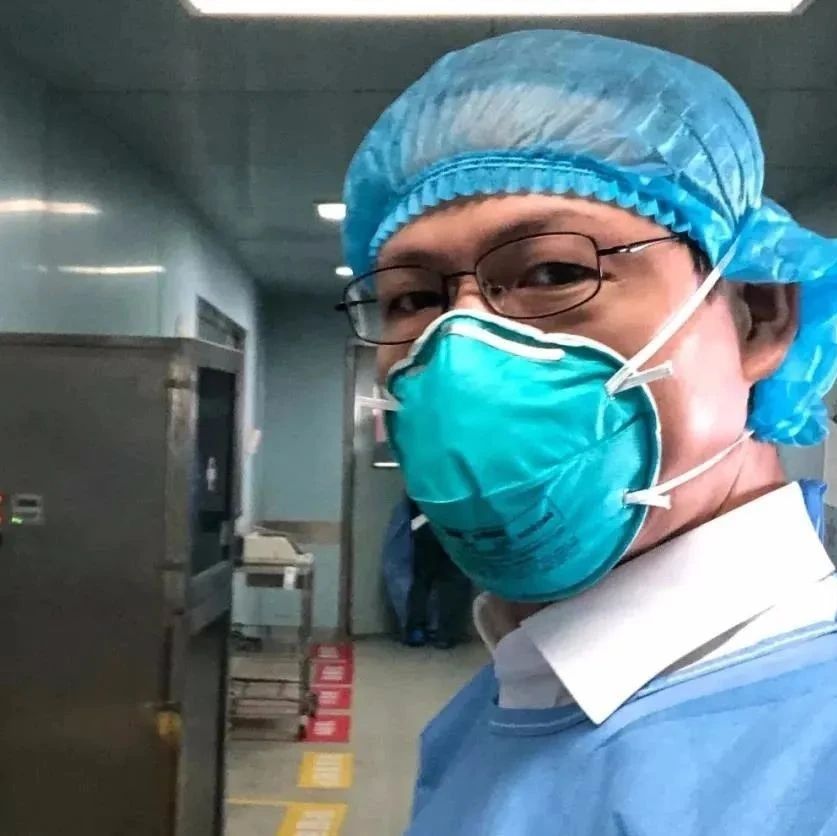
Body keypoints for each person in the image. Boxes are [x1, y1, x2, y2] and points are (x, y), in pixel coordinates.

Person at [337, 30, 837, 835]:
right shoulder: (507, 697)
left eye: (555, 272)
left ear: (759, 316)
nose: (460, 354)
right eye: (412, 299)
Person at [404, 496, 471, 649]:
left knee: (421, 579)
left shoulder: (421, 479)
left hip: (423, 525)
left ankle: (416, 630)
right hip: (454, 528)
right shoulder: (459, 481)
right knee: (452, 581)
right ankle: (444, 635)